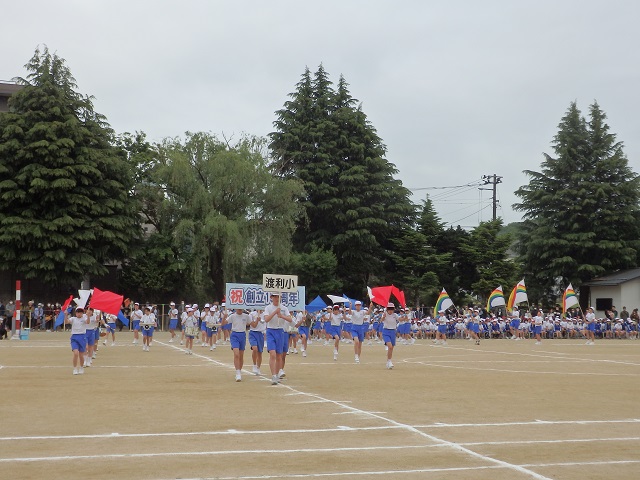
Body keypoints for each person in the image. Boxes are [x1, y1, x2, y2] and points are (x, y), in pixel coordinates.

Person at [264, 292, 291, 385]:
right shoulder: (268, 308)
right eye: (275, 296)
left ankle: (278, 373)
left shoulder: (284, 308)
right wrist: (275, 312)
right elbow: (266, 319)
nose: (276, 298)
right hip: (271, 330)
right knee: (272, 354)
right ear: (271, 297)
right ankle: (273, 376)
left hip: (280, 331)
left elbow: (290, 319)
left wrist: (282, 315)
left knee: (279, 355)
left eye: (278, 296)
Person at [221, 308, 251, 381]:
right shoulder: (232, 316)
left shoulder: (246, 316)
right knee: (236, 354)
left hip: (242, 335)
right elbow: (223, 323)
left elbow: (252, 324)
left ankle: (239, 371)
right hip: (234, 334)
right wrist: (224, 317)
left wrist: (258, 319)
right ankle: (237, 373)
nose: (239, 309)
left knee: (241, 355)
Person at [65, 306, 89, 375]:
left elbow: (87, 322)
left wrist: (88, 316)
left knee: (81, 355)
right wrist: (66, 315)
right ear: (76, 313)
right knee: (76, 353)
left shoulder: (84, 318)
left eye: (81, 312)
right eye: (78, 312)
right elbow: (67, 322)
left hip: (82, 337)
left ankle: (81, 367)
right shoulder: (73, 319)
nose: (79, 314)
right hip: (74, 337)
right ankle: (75, 368)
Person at [380, 302, 399, 369]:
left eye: (392, 309)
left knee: (391, 348)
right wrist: (383, 317)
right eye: (389, 309)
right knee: (390, 346)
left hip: (393, 331)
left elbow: (400, 319)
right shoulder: (385, 314)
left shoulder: (395, 315)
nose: (390, 310)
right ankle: (389, 361)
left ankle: (388, 361)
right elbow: (381, 320)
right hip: (386, 331)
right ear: (387, 309)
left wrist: (404, 317)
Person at [249, 309, 266, 375]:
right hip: (253, 333)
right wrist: (256, 320)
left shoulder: (265, 314)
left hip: (260, 333)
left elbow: (265, 322)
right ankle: (254, 365)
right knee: (254, 349)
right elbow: (253, 325)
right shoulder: (252, 314)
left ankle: (258, 368)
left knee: (260, 352)